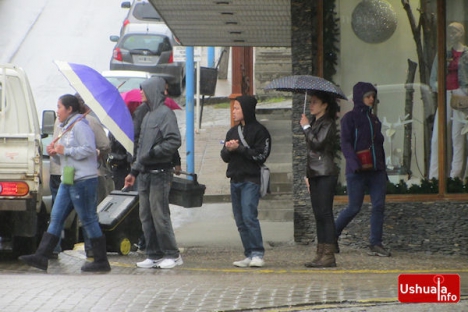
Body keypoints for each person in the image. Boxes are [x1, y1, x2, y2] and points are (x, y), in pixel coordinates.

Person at [19, 94, 111, 272]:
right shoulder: (66, 127)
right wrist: (56, 154)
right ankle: (42, 256)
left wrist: (65, 149)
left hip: (83, 180)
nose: (57, 111)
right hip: (68, 179)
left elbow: (90, 150)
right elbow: (66, 159)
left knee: (88, 219)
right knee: (57, 216)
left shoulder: (81, 126)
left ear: (69, 109)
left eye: (60, 107)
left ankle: (101, 259)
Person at [124, 76, 182, 269]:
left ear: (152, 91)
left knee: (160, 214)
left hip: (160, 173)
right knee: (146, 215)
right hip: (145, 174)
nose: (141, 93)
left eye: (144, 89)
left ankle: (172, 254)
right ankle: (154, 253)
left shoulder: (165, 114)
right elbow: (141, 146)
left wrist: (155, 152)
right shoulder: (147, 115)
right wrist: (134, 171)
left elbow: (174, 140)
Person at [335, 82, 391, 257]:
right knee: (353, 207)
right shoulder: (349, 118)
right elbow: (345, 143)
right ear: (360, 97)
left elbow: (379, 145)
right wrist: (354, 164)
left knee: (379, 206)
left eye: (373, 96)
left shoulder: (375, 120)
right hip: (357, 171)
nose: (371, 99)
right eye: (368, 96)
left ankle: (376, 244)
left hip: (376, 170)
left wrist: (382, 168)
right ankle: (331, 237)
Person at [220, 95, 271, 268]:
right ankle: (248, 253)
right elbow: (224, 157)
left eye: (237, 108)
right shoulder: (232, 131)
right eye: (233, 108)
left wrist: (239, 148)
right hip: (235, 179)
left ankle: (258, 252)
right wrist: (228, 149)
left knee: (249, 216)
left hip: (251, 179)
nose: (233, 111)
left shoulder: (260, 131)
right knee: (240, 219)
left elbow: (261, 155)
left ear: (246, 110)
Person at [299, 91, 339, 268]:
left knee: (325, 213)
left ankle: (329, 254)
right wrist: (308, 174)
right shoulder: (316, 122)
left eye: (315, 102)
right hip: (315, 172)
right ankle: (320, 252)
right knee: (318, 214)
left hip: (325, 172)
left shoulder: (328, 123)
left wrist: (306, 128)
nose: (311, 105)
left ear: (324, 105)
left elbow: (317, 144)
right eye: (311, 102)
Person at [429, 22, 468, 179]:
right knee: (437, 137)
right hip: (445, 94)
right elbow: (433, 78)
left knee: (457, 137)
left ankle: (455, 176)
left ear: (462, 33)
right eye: (450, 31)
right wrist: (438, 86)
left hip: (461, 95)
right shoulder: (443, 53)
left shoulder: (467, 53)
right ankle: (434, 177)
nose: (452, 34)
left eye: (455, 31)